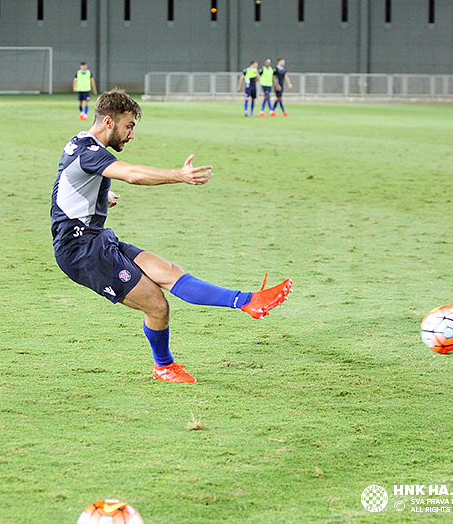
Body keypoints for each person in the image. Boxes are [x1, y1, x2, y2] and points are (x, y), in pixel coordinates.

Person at [51, 90, 292, 384]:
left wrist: (102, 197)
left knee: (168, 271)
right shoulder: (92, 152)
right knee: (157, 304)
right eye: (129, 126)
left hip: (95, 238)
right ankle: (163, 366)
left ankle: (249, 301)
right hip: (80, 250)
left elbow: (67, 181)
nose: (132, 135)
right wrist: (180, 175)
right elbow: (134, 174)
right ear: (109, 122)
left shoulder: (80, 143)